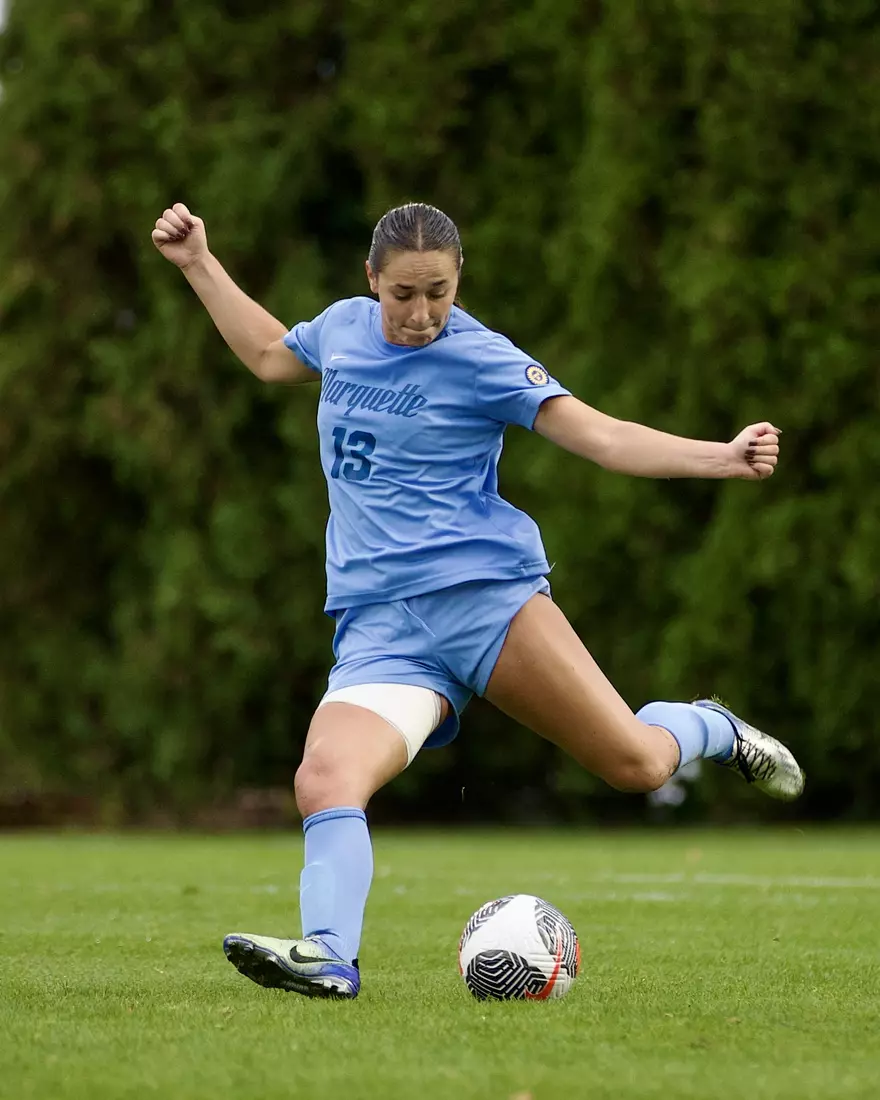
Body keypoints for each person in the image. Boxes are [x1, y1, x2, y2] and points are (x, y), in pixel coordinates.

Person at [152, 201, 804, 1001]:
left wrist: (724, 458)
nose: (422, 314)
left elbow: (599, 438)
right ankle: (330, 955)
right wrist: (198, 264)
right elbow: (264, 354)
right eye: (402, 295)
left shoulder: (482, 357)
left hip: (485, 602)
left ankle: (713, 724)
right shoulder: (341, 329)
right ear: (371, 281)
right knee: (325, 778)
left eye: (439, 293)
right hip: (382, 627)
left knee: (636, 763)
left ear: (458, 284)